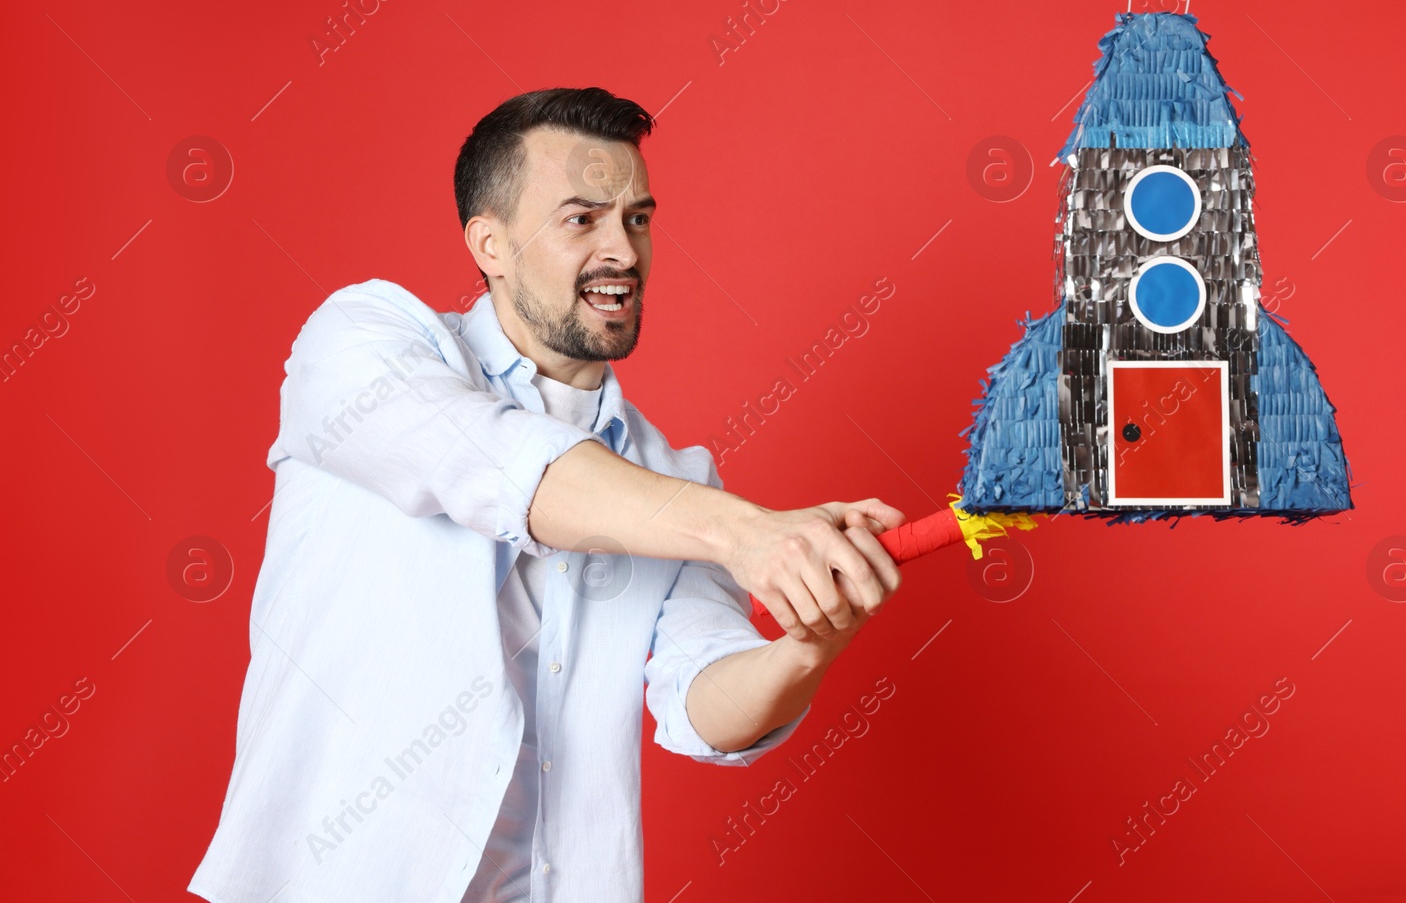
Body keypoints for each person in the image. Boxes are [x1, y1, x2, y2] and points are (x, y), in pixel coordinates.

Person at [188, 87, 905, 903]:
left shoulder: (681, 483)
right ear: (490, 242)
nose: (623, 252)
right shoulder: (357, 345)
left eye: (637, 218)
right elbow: (496, 464)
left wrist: (808, 645)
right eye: (581, 219)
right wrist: (748, 533)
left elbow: (704, 703)